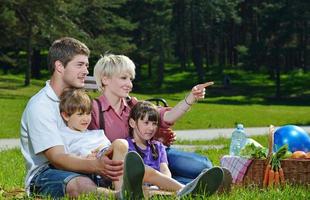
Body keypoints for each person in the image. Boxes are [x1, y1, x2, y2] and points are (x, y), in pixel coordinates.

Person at [59, 88, 224, 198]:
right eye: (80, 114)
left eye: (88, 114)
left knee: (148, 174)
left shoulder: (96, 133)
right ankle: (120, 192)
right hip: (100, 167)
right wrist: (90, 158)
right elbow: (63, 159)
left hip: (113, 162)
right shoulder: (64, 136)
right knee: (120, 144)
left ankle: (183, 191)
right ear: (66, 115)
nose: (86, 118)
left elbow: (107, 148)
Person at [20, 37, 126, 199]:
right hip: (47, 173)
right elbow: (57, 158)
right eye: (80, 65)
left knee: (124, 166)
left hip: (82, 162)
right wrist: (94, 165)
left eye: (86, 65)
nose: (86, 71)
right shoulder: (40, 105)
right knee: (79, 184)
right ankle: (118, 195)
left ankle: (166, 188)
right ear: (59, 66)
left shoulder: (77, 100)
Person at [89, 54, 214, 184]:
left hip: (153, 154)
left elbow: (166, 116)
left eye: (130, 79)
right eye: (123, 78)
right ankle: (189, 185)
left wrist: (191, 98)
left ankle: (185, 183)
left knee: (204, 166)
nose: (129, 84)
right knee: (189, 178)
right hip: (127, 168)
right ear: (105, 79)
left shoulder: (133, 105)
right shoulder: (94, 109)